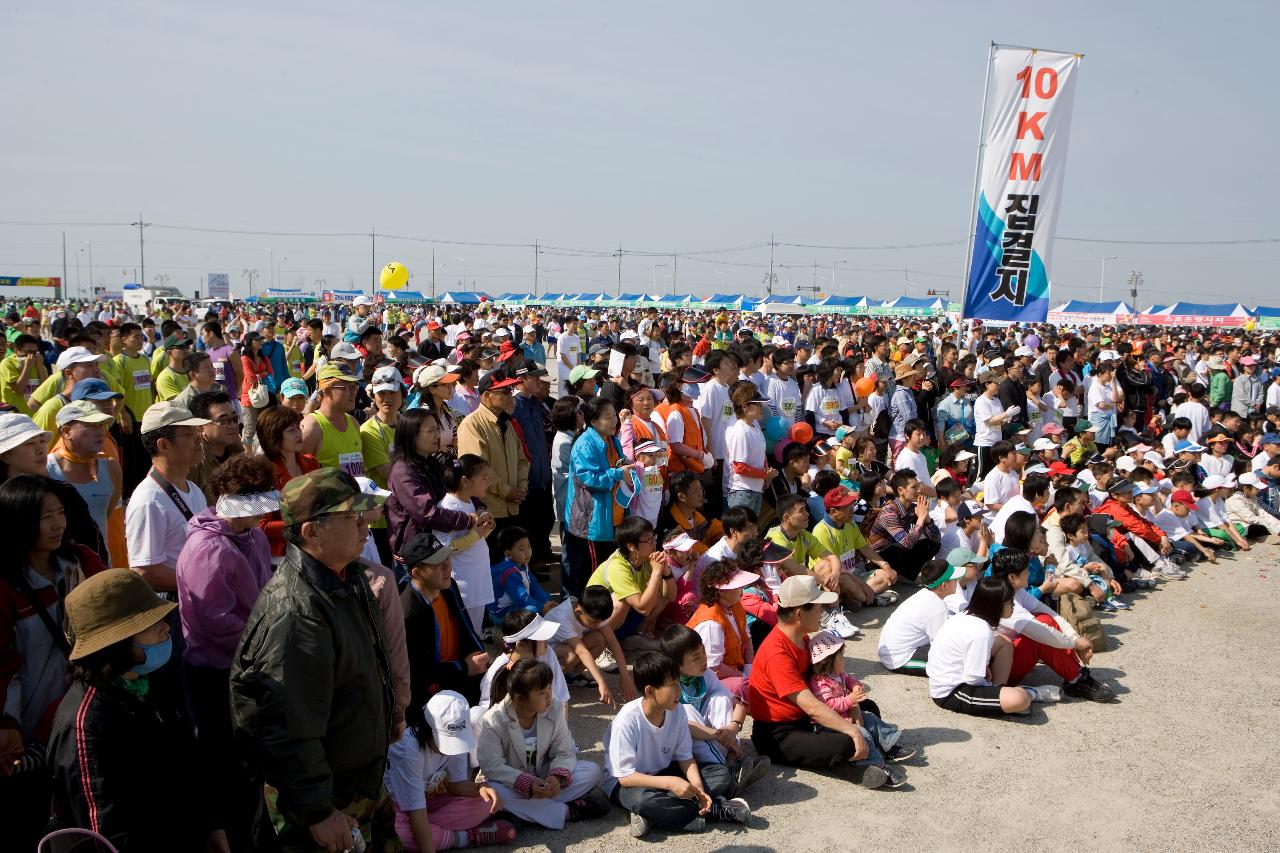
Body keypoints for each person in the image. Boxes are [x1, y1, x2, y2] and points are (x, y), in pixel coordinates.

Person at [230, 469, 400, 853]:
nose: (363, 526)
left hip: (359, 783)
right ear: (312, 532)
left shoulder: (347, 579)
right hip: (325, 802)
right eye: (349, 517)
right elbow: (287, 726)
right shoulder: (296, 613)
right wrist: (317, 811)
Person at [47, 569, 228, 852]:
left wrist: (211, 826)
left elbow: (190, 762)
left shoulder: (153, 679)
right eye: (150, 623)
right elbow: (107, 832)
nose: (166, 627)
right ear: (116, 642)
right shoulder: (86, 723)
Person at [175, 455, 277, 851]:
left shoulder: (252, 535)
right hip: (217, 673)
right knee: (229, 764)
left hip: (251, 664)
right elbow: (214, 620)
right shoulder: (209, 549)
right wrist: (262, 647)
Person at [747, 575, 893, 789]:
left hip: (805, 719)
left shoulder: (802, 637)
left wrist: (851, 705)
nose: (822, 612)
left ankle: (852, 757)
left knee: (867, 708)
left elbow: (823, 686)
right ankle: (850, 766)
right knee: (846, 740)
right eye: (817, 607)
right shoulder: (777, 652)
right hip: (779, 734)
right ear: (799, 613)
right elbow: (811, 706)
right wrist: (851, 730)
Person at [603, 651, 750, 838]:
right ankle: (714, 810)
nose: (679, 691)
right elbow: (625, 777)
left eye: (678, 683)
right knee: (643, 799)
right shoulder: (628, 719)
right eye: (672, 686)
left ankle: (655, 814)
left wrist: (698, 788)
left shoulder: (677, 711)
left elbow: (685, 758)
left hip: (661, 773)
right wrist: (671, 783)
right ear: (649, 691)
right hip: (627, 783)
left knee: (719, 774)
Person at [477, 657, 611, 830]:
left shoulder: (554, 707)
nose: (549, 696)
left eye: (549, 687)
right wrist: (527, 783)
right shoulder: (494, 719)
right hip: (512, 784)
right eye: (542, 692)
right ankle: (568, 811)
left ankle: (521, 814)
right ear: (520, 699)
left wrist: (556, 777)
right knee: (491, 793)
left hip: (543, 776)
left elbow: (564, 751)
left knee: (591, 771)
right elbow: (491, 765)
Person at [385, 690, 516, 851]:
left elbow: (457, 784)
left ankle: (431, 832)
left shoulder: (456, 740)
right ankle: (466, 837)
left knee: (486, 801)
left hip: (430, 802)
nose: (451, 750)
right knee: (399, 832)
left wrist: (481, 787)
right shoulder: (409, 751)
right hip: (401, 808)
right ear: (428, 729)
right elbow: (416, 811)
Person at [927, 576, 1046, 717]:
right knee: (1021, 699)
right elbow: (973, 679)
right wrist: (986, 682)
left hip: (957, 674)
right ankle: (1027, 694)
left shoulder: (968, 615)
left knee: (1004, 643)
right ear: (995, 606)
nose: (1013, 607)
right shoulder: (981, 631)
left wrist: (984, 670)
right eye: (1010, 603)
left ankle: (999, 691)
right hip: (952, 691)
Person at [126, 402, 212, 598]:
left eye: (197, 432)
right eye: (190, 434)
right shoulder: (149, 500)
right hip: (175, 604)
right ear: (163, 444)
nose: (199, 440)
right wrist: (205, 581)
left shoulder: (193, 489)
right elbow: (145, 572)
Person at [400, 531, 490, 708]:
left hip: (462, 679)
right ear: (417, 573)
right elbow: (418, 673)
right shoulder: (408, 613)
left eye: (446, 557)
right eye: (437, 564)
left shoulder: (448, 587)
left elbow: (466, 629)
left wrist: (475, 655)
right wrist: (464, 668)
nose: (447, 566)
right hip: (436, 699)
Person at [807, 629, 910, 774]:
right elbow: (828, 706)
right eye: (841, 656)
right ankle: (877, 766)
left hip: (846, 714)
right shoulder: (820, 683)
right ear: (827, 661)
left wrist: (856, 687)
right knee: (863, 734)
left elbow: (851, 681)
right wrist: (850, 700)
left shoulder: (838, 674)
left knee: (871, 718)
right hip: (829, 725)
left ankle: (890, 746)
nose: (844, 660)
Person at [561, 397, 631, 597]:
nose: (614, 421)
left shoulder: (612, 439)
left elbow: (614, 465)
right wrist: (618, 473)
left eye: (614, 416)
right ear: (593, 421)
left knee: (608, 570)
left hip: (612, 517)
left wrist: (623, 464)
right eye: (608, 418)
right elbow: (588, 478)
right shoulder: (585, 443)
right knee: (593, 575)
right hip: (592, 520)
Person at [587, 516, 677, 652]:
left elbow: (671, 596)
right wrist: (656, 573)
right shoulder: (618, 566)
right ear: (631, 546)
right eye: (647, 540)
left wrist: (666, 572)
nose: (653, 544)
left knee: (660, 594)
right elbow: (643, 608)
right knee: (621, 602)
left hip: (622, 616)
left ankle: (632, 637)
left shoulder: (646, 558)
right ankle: (602, 646)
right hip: (595, 618)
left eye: (654, 538)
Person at [546, 585, 636, 706]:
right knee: (571, 654)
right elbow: (582, 652)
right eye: (594, 622)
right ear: (578, 612)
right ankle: (550, 687)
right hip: (544, 657)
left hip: (564, 649)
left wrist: (625, 676)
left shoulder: (591, 610)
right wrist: (602, 683)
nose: (597, 625)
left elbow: (612, 641)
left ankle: (571, 676)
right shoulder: (563, 617)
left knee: (600, 638)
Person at [46, 399, 121, 545]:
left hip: (101, 563)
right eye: (90, 425)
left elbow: (104, 515)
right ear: (67, 432)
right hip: (62, 565)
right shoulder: (46, 469)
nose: (100, 431)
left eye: (101, 425)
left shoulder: (111, 467)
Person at [877, 556, 968, 675]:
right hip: (899, 659)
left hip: (892, 651)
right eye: (954, 578)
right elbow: (941, 644)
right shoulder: (936, 607)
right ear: (944, 585)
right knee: (957, 665)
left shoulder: (926, 595)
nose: (957, 580)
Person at [685, 559, 758, 695]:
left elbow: (747, 640)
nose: (742, 590)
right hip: (708, 679)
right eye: (737, 586)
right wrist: (741, 676)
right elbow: (713, 668)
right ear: (721, 591)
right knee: (742, 686)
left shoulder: (735, 606)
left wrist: (749, 667)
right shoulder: (711, 623)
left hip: (737, 668)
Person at [866, 469, 942, 582]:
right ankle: (899, 575)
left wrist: (926, 519)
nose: (918, 490)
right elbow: (906, 542)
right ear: (901, 490)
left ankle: (906, 576)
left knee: (932, 544)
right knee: (900, 547)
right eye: (914, 487)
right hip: (878, 559)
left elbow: (936, 537)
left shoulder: (912, 507)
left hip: (896, 551)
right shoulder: (889, 512)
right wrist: (920, 519)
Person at [723, 380, 776, 514]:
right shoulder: (740, 430)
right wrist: (764, 474)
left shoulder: (755, 426)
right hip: (742, 492)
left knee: (752, 532)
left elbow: (761, 453)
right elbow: (739, 467)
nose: (761, 407)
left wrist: (766, 474)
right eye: (758, 404)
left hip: (755, 490)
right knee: (742, 533)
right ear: (745, 407)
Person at [490, 525, 554, 621]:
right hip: (500, 612)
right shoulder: (509, 572)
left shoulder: (522, 565)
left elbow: (534, 587)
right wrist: (542, 607)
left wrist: (546, 602)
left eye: (528, 546)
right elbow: (521, 598)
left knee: (547, 597)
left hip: (515, 605)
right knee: (532, 610)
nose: (528, 552)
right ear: (508, 554)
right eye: (522, 549)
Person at [187, 389, 245, 495]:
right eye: (223, 421)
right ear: (201, 428)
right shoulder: (192, 465)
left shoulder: (239, 453)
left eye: (234, 418)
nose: (233, 425)